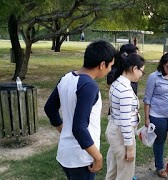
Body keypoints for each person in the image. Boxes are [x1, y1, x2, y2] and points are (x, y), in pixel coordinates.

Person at [44, 40, 116, 180]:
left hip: (66, 152)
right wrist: (98, 157)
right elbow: (79, 127)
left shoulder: (66, 78)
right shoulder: (89, 86)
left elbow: (50, 109)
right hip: (81, 157)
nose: (110, 70)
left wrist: (64, 129)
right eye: (110, 66)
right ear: (102, 64)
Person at [105, 53, 145, 180]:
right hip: (121, 136)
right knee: (125, 175)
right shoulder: (125, 90)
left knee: (113, 170)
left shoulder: (117, 83)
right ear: (134, 69)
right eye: (141, 72)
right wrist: (130, 147)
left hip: (114, 130)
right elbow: (125, 121)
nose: (141, 76)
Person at [143, 52, 168, 178]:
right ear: (162, 65)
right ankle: (159, 167)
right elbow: (147, 99)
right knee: (159, 141)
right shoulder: (153, 77)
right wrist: (147, 118)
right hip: (158, 115)